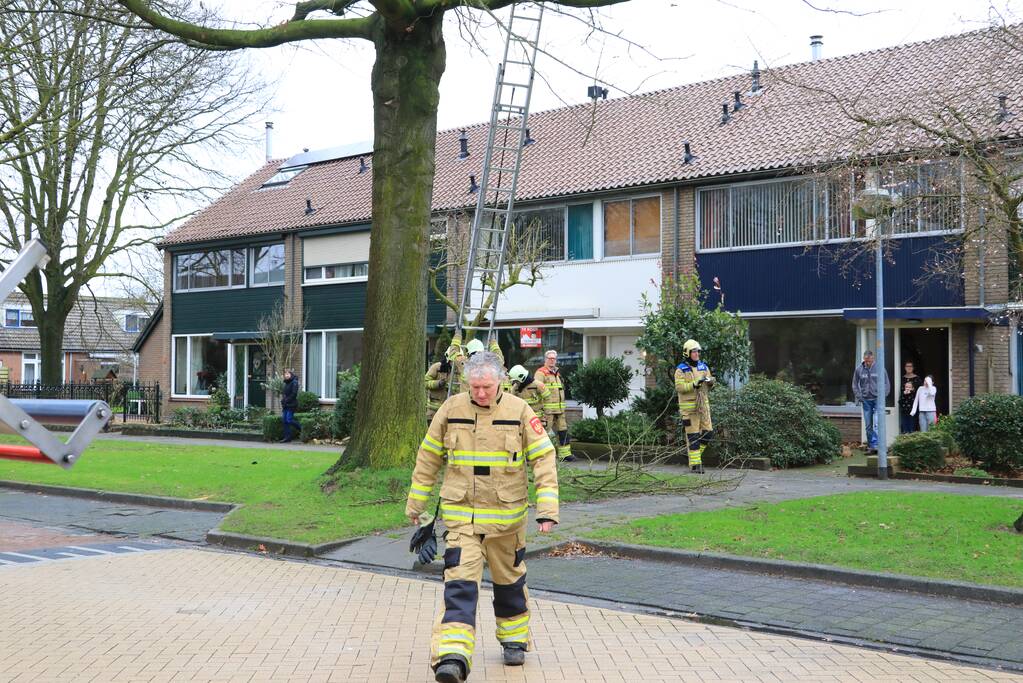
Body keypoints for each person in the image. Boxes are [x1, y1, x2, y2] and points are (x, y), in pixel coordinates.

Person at [407, 352, 558, 683]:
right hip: (462, 521)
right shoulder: (451, 409)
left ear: (501, 381)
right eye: (474, 387)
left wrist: (547, 510)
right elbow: (429, 456)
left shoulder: (520, 411)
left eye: (486, 387)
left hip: (507, 521)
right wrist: (416, 504)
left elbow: (544, 459)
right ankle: (452, 656)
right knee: (459, 587)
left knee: (510, 584)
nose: (480, 394)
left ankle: (514, 639)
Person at [674, 339, 714, 474]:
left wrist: (711, 382)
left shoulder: (704, 367)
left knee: (708, 433)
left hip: (703, 407)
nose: (697, 354)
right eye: (694, 351)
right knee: (693, 437)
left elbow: (710, 381)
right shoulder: (681, 369)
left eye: (698, 351)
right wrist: (693, 384)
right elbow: (679, 387)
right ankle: (696, 465)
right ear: (687, 353)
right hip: (689, 409)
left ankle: (691, 456)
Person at [534, 350, 573, 461]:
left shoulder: (557, 373)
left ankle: (565, 455)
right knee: (543, 432)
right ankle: (541, 455)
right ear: (545, 359)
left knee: (563, 431)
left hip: (559, 410)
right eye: (550, 358)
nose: (552, 360)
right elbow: (536, 390)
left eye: (554, 358)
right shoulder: (540, 373)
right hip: (547, 411)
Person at [852, 350, 889, 453]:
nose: (868, 363)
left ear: (873, 359)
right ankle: (871, 447)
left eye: (870, 361)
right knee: (868, 425)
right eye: (866, 361)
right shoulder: (859, 369)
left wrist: (883, 397)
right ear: (864, 359)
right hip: (866, 400)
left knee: (877, 423)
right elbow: (854, 384)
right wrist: (859, 397)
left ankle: (879, 446)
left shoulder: (880, 368)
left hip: (877, 400)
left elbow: (887, 384)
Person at [425, 355, 453, 425]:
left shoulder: (459, 370)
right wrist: (438, 384)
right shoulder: (437, 367)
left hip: (450, 410)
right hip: (433, 411)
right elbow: (425, 382)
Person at [898, 361, 923, 434]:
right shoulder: (901, 378)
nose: (909, 368)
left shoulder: (917, 378)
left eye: (910, 366)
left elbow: (920, 391)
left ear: (913, 368)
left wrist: (912, 391)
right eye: (907, 366)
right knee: (904, 423)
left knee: (912, 423)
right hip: (904, 404)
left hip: (913, 404)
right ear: (905, 368)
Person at [279, 370, 301, 443]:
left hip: (292, 404)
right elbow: (285, 394)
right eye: (285, 374)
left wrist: (287, 400)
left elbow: (294, 394)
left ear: (291, 374)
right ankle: (287, 437)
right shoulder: (286, 383)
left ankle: (302, 429)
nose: (286, 375)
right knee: (284, 420)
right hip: (286, 405)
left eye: (288, 374)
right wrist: (283, 400)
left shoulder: (294, 382)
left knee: (289, 419)